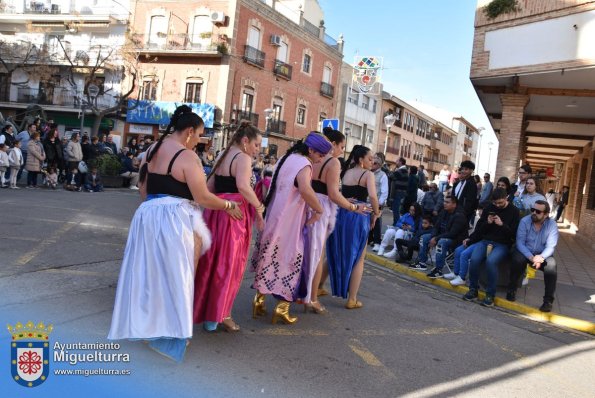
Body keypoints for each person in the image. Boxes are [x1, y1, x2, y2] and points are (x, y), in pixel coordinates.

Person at [108, 105, 242, 362]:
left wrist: (153, 209)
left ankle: (147, 326)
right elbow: (202, 197)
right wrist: (228, 205)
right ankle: (171, 332)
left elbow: (143, 188)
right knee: (178, 275)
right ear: (189, 131)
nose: (200, 141)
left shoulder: (151, 150)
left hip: (147, 215)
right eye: (200, 135)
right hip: (174, 218)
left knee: (149, 274)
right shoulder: (187, 157)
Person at [193, 122, 265, 332]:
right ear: (245, 141)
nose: (257, 150)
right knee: (229, 265)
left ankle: (210, 314)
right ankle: (222, 314)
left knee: (212, 263)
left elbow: (209, 186)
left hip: (216, 212)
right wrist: (259, 208)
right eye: (257, 145)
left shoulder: (224, 154)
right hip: (234, 215)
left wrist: (219, 205)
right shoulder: (243, 157)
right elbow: (243, 186)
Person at [251, 133, 329, 325]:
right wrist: (319, 209)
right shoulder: (304, 164)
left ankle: (259, 301)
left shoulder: (286, 158)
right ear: (311, 150)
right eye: (320, 155)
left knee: (269, 258)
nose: (320, 160)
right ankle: (282, 308)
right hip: (290, 221)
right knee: (291, 261)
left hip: (274, 216)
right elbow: (305, 189)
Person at [305, 128, 369, 314]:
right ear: (332, 144)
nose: (342, 151)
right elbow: (332, 194)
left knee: (305, 251)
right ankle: (312, 298)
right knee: (317, 255)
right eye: (341, 146)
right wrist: (353, 207)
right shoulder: (332, 162)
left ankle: (302, 293)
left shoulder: (310, 159)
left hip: (306, 203)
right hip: (322, 208)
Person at [326, 145, 380, 309]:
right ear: (360, 160)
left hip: (342, 212)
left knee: (337, 251)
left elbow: (337, 192)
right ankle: (352, 299)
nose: (373, 161)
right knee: (358, 258)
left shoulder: (346, 172)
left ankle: (319, 287)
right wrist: (376, 213)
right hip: (359, 215)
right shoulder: (368, 174)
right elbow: (372, 196)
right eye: (370, 159)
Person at [462, 188, 521, 306]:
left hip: (503, 244)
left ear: (506, 198)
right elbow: (480, 229)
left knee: (491, 261)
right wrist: (487, 223)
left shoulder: (514, 211)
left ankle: (490, 294)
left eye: (500, 203)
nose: (498, 205)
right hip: (485, 241)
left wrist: (502, 225)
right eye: (495, 203)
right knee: (474, 260)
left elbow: (514, 235)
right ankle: (473, 289)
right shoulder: (489, 208)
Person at [506, 200, 559, 312]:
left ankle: (548, 301)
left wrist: (541, 257)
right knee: (517, 260)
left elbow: (551, 246)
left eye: (538, 211)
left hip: (542, 254)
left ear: (546, 214)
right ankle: (511, 289)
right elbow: (520, 242)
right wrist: (531, 257)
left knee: (552, 266)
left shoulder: (552, 225)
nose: (534, 213)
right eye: (533, 210)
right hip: (525, 251)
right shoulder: (525, 221)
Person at [411, 195, 468, 278]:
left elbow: (452, 233)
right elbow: (436, 227)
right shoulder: (444, 211)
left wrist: (436, 238)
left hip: (455, 240)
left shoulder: (460, 215)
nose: (444, 204)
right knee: (424, 237)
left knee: (441, 242)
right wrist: (433, 236)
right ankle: (422, 263)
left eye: (447, 202)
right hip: (442, 236)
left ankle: (439, 269)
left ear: (454, 204)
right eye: (444, 201)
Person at [370, 153, 389, 252]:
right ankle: (369, 239)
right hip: (366, 202)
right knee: (367, 220)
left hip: (376, 203)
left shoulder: (383, 175)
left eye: (377, 159)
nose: (374, 161)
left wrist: (379, 203)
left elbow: (384, 191)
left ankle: (377, 242)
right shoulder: (368, 172)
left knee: (377, 222)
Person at [390, 157, 408, 222]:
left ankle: (396, 224)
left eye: (397, 161)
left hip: (398, 192)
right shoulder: (404, 170)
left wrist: (394, 170)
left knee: (396, 209)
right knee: (396, 209)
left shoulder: (401, 170)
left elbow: (391, 176)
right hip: (401, 192)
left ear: (400, 162)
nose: (395, 162)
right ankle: (396, 223)